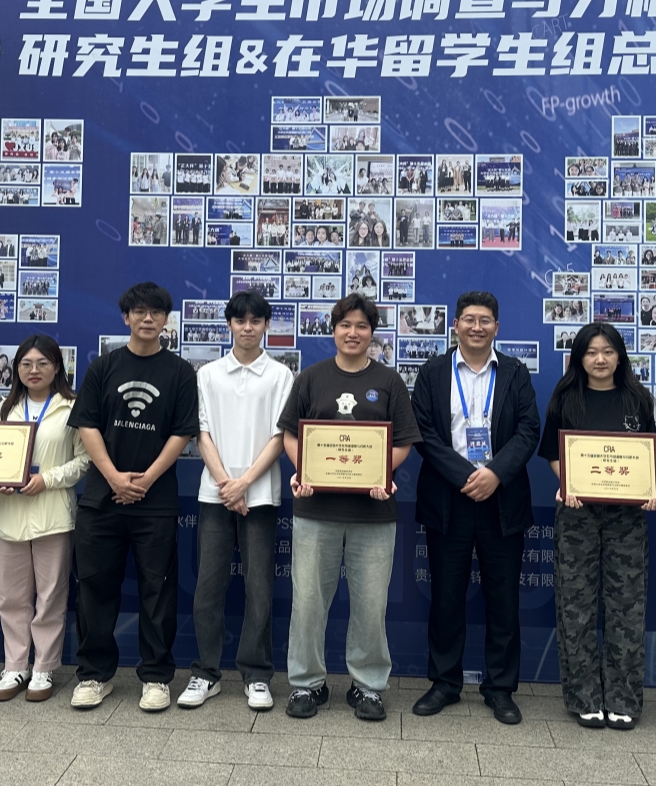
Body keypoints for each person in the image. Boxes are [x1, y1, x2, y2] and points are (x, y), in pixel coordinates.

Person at [281, 293, 421, 721]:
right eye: (345, 325)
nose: (353, 333)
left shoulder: (390, 381)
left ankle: (368, 686)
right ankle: (307, 684)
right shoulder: (311, 378)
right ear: (333, 330)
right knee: (308, 602)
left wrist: (381, 472)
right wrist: (304, 468)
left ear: (372, 333)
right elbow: (290, 434)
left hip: (373, 514)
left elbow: (403, 442)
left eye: (361, 326)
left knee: (370, 606)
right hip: (316, 510)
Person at [409, 291, 541, 725]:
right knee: (446, 597)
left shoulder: (515, 373)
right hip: (449, 498)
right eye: (469, 319)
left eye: (485, 320)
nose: (477, 327)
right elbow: (423, 432)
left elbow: (529, 429)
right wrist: (466, 474)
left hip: (502, 499)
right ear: (456, 325)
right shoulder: (432, 371)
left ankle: (500, 688)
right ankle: (444, 682)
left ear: (496, 327)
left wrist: (495, 473)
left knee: (503, 599)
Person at [68, 283, 199, 712]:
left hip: (155, 502)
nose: (148, 318)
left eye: (156, 312)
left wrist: (144, 481)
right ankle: (94, 674)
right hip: (101, 500)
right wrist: (113, 478)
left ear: (166, 320)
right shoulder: (103, 367)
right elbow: (87, 425)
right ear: (126, 317)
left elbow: (182, 433)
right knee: (94, 589)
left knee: (157, 592)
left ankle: (156, 677)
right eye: (139, 311)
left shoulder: (180, 372)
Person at [538, 323, 656, 729]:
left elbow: (646, 457)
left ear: (620, 356)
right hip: (577, 514)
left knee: (628, 607)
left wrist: (650, 490)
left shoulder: (638, 399)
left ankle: (623, 698)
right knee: (576, 606)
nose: (600, 359)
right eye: (591, 352)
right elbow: (554, 455)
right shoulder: (565, 398)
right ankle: (584, 696)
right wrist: (569, 483)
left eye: (608, 351)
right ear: (579, 358)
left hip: (627, 518)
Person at [178, 291, 294, 711]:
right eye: (240, 320)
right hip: (216, 495)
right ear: (229, 324)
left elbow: (280, 437)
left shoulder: (280, 375)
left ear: (266, 325)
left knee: (259, 588)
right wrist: (227, 484)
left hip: (259, 496)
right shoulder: (208, 374)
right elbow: (202, 433)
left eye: (255, 321)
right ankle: (206, 673)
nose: (248, 327)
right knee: (208, 587)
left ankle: (256, 675)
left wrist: (244, 483)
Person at [0, 335, 89, 703]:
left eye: (43, 363)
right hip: (10, 513)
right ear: (16, 368)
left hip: (53, 513)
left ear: (57, 367)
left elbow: (84, 460)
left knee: (50, 596)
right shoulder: (4, 408)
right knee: (10, 596)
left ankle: (44, 667)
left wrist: (48, 479)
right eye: (26, 364)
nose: (34, 370)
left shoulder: (72, 407)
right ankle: (15, 665)